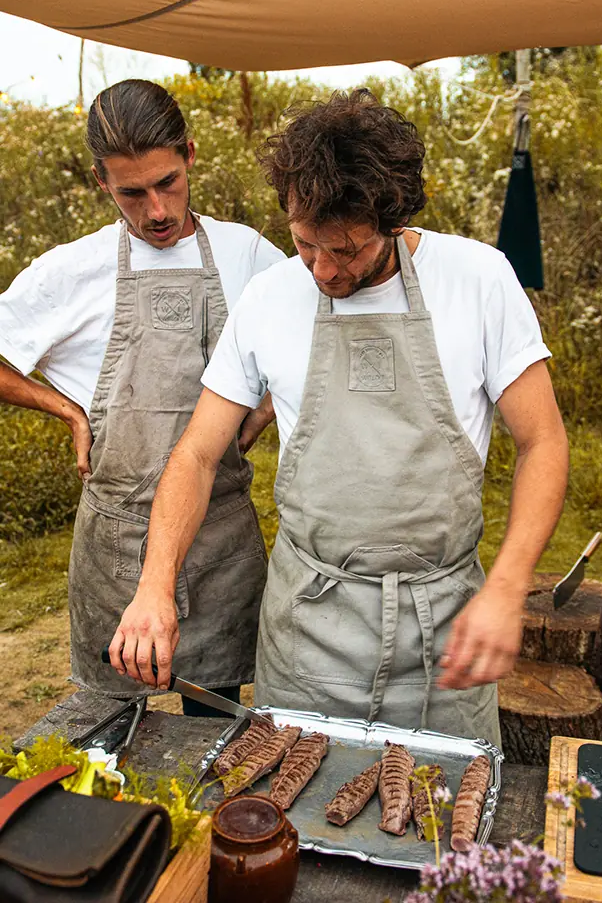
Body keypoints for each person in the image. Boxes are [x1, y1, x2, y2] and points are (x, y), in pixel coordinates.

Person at [110, 89, 568, 745]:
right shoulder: (270, 298)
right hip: (309, 633)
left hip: (444, 631)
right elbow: (197, 454)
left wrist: (508, 585)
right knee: (291, 819)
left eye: (347, 251)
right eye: (304, 245)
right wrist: (155, 586)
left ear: (393, 217)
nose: (323, 268)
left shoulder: (479, 280)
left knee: (442, 825)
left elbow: (543, 440)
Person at [0, 79, 286, 714]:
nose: (156, 210)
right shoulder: (74, 269)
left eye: (168, 183)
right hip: (118, 538)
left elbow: (310, 339)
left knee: (216, 719)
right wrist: (66, 409)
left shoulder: (246, 255)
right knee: (109, 725)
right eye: (132, 193)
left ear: (188, 154)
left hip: (221, 537)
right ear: (103, 184)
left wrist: (263, 407)